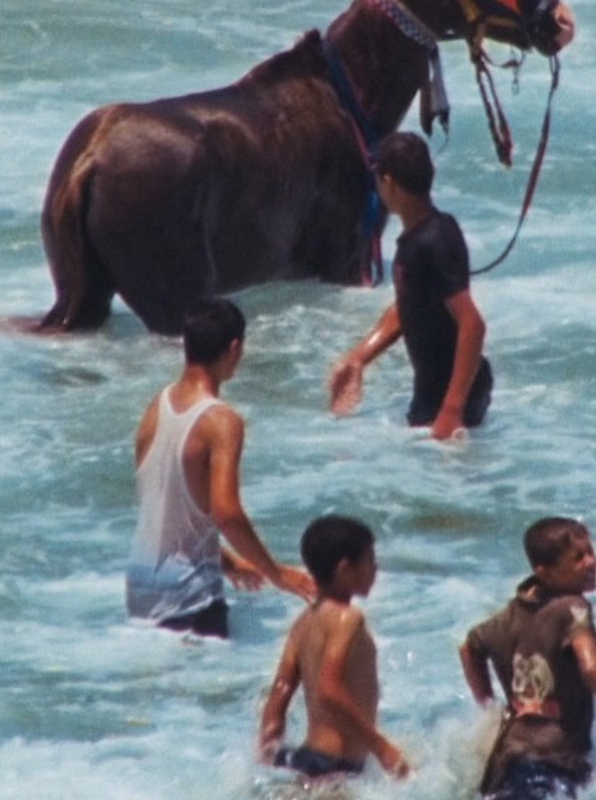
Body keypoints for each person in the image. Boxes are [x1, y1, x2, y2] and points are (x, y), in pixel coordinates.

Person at [126, 297, 315, 637]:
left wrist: (227, 563)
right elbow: (227, 514)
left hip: (140, 586)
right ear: (234, 349)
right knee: (211, 689)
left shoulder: (157, 405)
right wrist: (276, 574)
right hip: (188, 593)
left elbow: (164, 510)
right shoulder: (220, 420)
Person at [459, 517, 596, 799]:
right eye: (577, 558)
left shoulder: (509, 616)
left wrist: (492, 711)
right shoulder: (573, 608)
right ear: (544, 573)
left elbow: (469, 649)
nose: (591, 562)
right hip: (553, 768)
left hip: (506, 766)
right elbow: (591, 666)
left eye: (590, 552)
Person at [328, 132, 491, 441]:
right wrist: (358, 358)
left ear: (388, 182)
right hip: (435, 392)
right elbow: (410, 304)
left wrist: (452, 409)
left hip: (449, 397)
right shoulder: (427, 232)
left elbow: (473, 324)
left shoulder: (432, 241)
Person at [258, 515, 411, 782]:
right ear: (344, 569)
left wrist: (268, 750)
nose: (375, 569)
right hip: (336, 765)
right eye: (370, 561)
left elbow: (278, 695)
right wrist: (382, 748)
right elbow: (329, 689)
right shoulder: (348, 618)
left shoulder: (303, 622)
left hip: (306, 759)